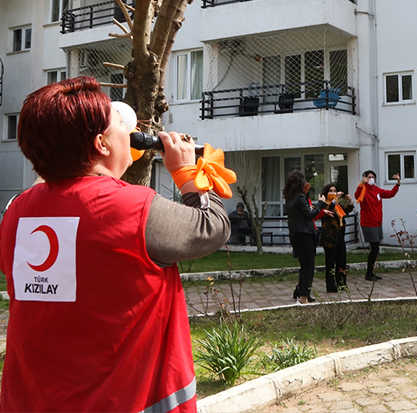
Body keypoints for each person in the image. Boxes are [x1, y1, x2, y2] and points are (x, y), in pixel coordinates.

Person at [0, 77, 230, 412]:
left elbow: (72, 206)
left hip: (32, 401)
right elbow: (213, 227)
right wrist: (187, 173)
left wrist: (99, 167)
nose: (128, 129)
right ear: (101, 144)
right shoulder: (134, 208)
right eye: (119, 124)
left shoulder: (16, 214)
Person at [284, 171, 331, 304]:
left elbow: (303, 210)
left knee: (304, 265)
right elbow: (310, 214)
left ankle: (303, 293)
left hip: (295, 234)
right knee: (309, 266)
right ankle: (304, 297)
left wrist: (305, 193)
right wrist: (321, 203)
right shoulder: (300, 198)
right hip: (304, 235)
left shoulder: (290, 197)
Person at [354, 170, 400, 281]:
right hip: (368, 223)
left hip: (377, 222)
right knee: (374, 247)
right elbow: (357, 196)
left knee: (376, 248)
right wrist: (361, 184)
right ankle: (369, 273)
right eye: (368, 177)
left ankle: (371, 272)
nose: (371, 179)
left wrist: (397, 184)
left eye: (373, 177)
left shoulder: (377, 190)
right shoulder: (363, 189)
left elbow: (390, 194)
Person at [317, 182, 354, 293]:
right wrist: (335, 199)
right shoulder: (323, 204)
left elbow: (345, 212)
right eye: (331, 191)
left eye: (334, 191)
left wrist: (350, 201)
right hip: (329, 237)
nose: (333, 193)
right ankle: (331, 285)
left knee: (342, 259)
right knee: (330, 262)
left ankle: (341, 283)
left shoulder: (337, 205)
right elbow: (328, 211)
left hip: (339, 234)